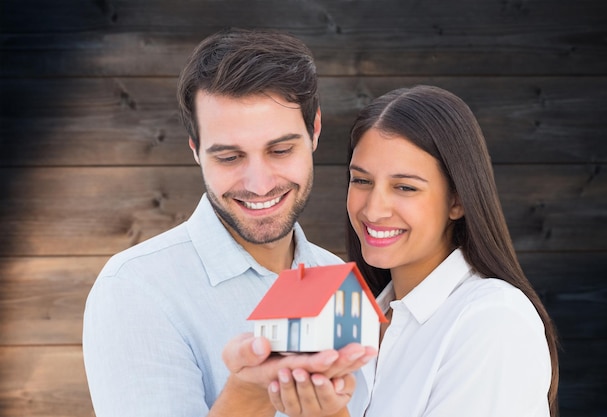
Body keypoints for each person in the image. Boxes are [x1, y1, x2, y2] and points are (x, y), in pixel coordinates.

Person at [82, 28, 376, 417]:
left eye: (281, 149)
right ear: (196, 151)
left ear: (315, 131)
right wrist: (247, 394)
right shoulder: (135, 289)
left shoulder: (338, 278)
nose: (260, 184)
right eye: (229, 157)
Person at [268, 85, 560, 416]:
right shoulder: (349, 315)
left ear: (457, 200)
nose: (374, 210)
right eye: (361, 181)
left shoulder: (494, 321)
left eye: (405, 187)